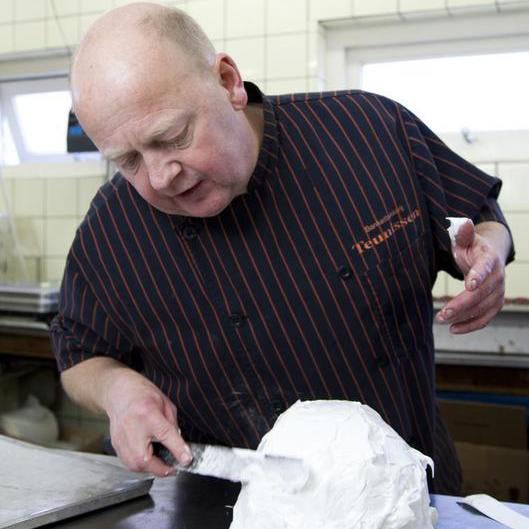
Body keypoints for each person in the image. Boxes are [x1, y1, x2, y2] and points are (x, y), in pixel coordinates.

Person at [51, 2, 514, 494]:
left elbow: (480, 215)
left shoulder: (370, 132)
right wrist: (118, 392)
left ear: (228, 81)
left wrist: (487, 252)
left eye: (172, 136)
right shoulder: (112, 227)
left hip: (406, 497)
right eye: (128, 160)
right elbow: (80, 352)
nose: (161, 177)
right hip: (229, 510)